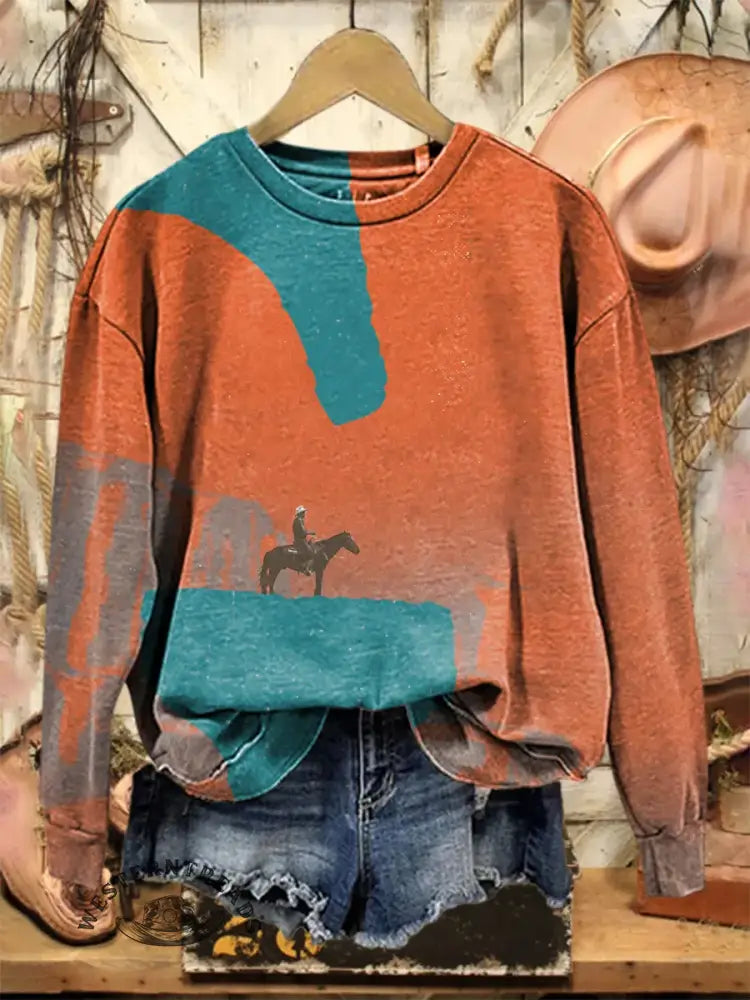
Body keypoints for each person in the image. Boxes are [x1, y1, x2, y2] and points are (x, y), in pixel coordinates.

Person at [292, 505, 316, 575]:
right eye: (303, 512)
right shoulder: (299, 521)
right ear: (300, 514)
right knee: (311, 553)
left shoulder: (298, 521)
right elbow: (303, 532)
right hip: (300, 541)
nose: (304, 514)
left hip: (300, 540)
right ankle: (306, 569)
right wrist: (311, 533)